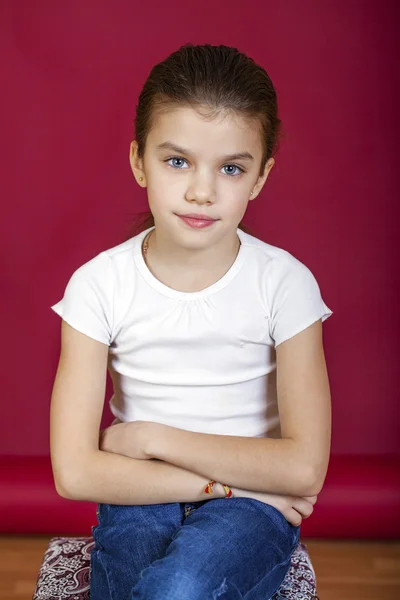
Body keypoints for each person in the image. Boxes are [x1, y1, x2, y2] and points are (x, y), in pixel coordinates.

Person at [50, 43, 333, 600]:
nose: (202, 190)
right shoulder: (98, 285)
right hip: (144, 493)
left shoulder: (285, 283)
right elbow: (76, 473)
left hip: (254, 514)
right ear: (139, 161)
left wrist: (149, 436)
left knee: (177, 588)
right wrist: (230, 485)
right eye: (176, 161)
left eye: (231, 168)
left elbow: (303, 468)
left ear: (260, 177)